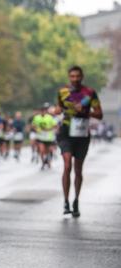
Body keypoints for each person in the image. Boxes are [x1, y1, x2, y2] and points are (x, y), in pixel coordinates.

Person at [55, 65, 103, 217]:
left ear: (82, 77)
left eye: (77, 76)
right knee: (67, 164)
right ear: (69, 77)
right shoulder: (62, 92)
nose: (75, 79)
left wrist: (85, 111)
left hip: (82, 134)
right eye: (72, 76)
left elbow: (99, 114)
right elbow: (59, 108)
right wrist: (56, 110)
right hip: (66, 132)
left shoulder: (89, 93)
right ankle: (65, 201)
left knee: (78, 170)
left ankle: (76, 200)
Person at [33, 103, 58, 170]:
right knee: (41, 150)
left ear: (46, 111)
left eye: (44, 111)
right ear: (40, 111)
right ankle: (43, 162)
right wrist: (37, 129)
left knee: (49, 150)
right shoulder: (36, 117)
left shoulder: (49, 117)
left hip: (49, 137)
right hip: (40, 137)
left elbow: (55, 126)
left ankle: (49, 161)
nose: (43, 112)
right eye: (41, 111)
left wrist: (49, 129)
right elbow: (33, 125)